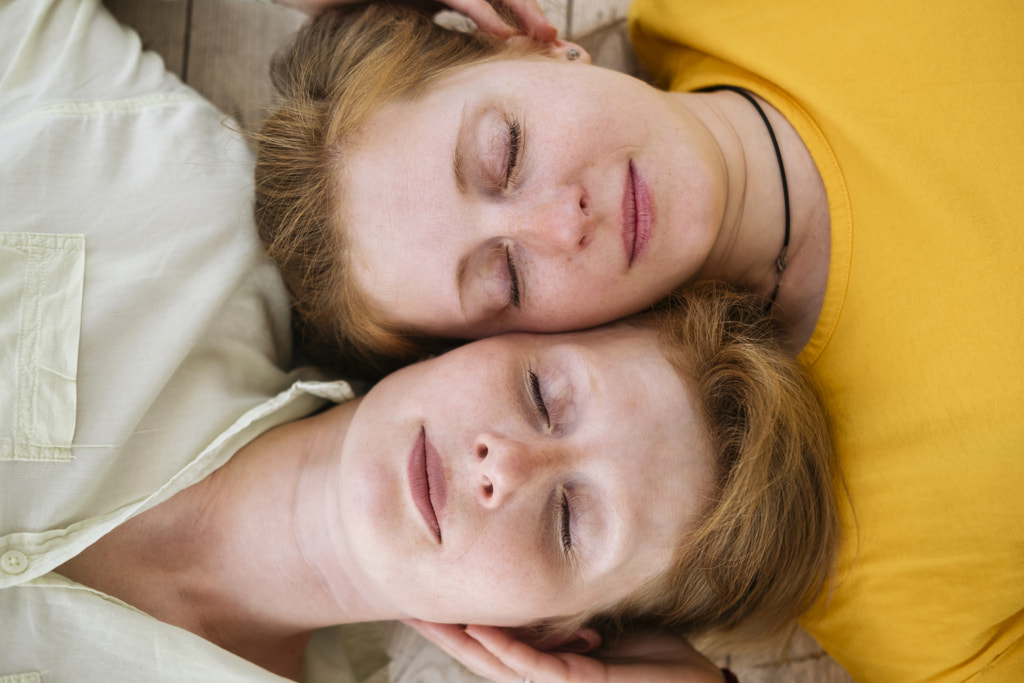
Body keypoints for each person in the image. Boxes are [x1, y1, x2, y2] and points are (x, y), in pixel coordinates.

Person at [0, 1, 838, 681]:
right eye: (543, 396)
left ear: (554, 633)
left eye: (569, 524)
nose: (500, 465)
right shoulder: (152, 180)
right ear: (482, 339)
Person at [254, 1, 1024, 681]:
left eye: (509, 151)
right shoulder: (873, 564)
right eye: (508, 281)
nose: (562, 222)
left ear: (534, 43)